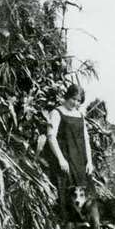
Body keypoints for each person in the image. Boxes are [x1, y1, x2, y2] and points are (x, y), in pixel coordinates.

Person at [45, 84, 94, 221]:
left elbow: (86, 139)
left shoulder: (80, 115)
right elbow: (51, 137)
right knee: (67, 193)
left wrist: (89, 161)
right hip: (65, 159)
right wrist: (61, 159)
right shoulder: (56, 112)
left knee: (84, 193)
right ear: (67, 96)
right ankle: (68, 227)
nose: (76, 103)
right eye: (73, 99)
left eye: (79, 101)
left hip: (80, 160)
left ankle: (85, 225)